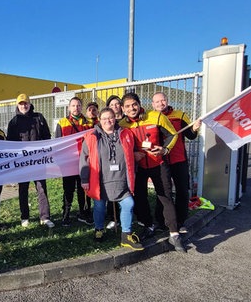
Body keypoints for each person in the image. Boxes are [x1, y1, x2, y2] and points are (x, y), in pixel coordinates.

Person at [119, 93, 186, 253]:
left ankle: (174, 233)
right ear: (123, 109)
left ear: (139, 104)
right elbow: (119, 145)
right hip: (138, 167)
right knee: (140, 197)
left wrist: (165, 149)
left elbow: (172, 134)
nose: (131, 108)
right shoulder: (122, 124)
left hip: (159, 164)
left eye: (134, 104)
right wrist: (133, 153)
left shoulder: (156, 116)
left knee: (165, 196)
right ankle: (149, 225)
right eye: (127, 106)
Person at [79, 108, 142, 248]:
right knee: (100, 206)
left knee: (128, 204)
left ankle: (126, 235)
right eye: (105, 118)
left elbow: (133, 153)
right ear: (100, 121)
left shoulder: (126, 134)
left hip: (121, 180)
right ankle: (99, 229)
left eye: (111, 117)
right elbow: (84, 159)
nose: (108, 121)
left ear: (115, 118)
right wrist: (84, 179)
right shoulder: (91, 136)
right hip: (100, 181)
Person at [151, 92, 202, 234]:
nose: (161, 103)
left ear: (167, 101)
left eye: (163, 100)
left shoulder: (180, 115)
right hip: (161, 161)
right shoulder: (151, 118)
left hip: (179, 160)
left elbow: (191, 135)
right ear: (153, 105)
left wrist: (195, 128)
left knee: (182, 191)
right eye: (157, 102)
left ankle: (180, 221)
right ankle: (160, 221)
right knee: (162, 193)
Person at [6, 93, 55, 228]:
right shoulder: (14, 122)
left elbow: (47, 136)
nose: (24, 106)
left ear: (30, 104)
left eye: (26, 103)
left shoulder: (39, 118)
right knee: (23, 189)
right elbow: (10, 143)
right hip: (23, 163)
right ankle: (24, 217)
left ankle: (44, 217)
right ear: (17, 105)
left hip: (38, 161)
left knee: (42, 188)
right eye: (21, 104)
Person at [54, 96, 93, 226]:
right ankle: (66, 214)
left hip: (84, 162)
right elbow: (58, 144)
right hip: (68, 163)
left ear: (81, 107)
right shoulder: (62, 123)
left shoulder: (88, 123)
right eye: (73, 105)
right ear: (69, 107)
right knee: (68, 189)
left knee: (84, 188)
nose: (76, 108)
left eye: (78, 105)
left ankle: (84, 212)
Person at [104, 94, 124, 229]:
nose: (115, 106)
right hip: (110, 164)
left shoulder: (126, 122)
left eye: (117, 104)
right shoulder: (104, 123)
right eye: (112, 105)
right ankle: (113, 217)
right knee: (111, 189)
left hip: (123, 163)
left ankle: (127, 216)